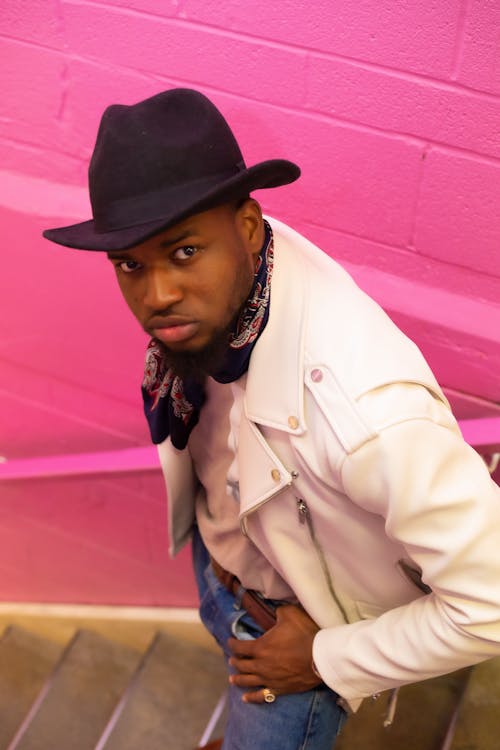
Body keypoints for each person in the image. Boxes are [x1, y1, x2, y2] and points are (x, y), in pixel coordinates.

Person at [43, 88, 500, 750]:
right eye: (130, 264)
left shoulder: (370, 416)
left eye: (183, 253)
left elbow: (491, 604)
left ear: (249, 228)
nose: (155, 294)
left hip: (293, 642)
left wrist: (322, 659)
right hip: (224, 559)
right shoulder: (239, 280)